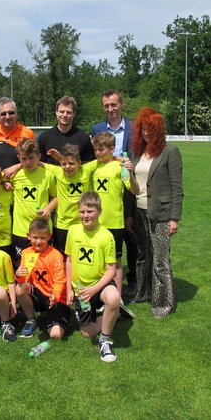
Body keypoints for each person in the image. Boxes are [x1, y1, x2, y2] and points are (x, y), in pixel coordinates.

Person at [128, 107, 183, 318]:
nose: (146, 133)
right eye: (142, 129)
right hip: (139, 211)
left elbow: (177, 188)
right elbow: (134, 185)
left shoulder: (171, 152)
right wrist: (130, 214)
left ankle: (163, 303)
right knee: (143, 256)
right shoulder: (137, 154)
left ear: (158, 129)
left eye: (150, 129)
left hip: (160, 214)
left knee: (160, 260)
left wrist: (174, 218)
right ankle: (143, 293)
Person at [91, 89, 138, 296]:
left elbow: (140, 155)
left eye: (113, 105)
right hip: (107, 189)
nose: (110, 109)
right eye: (106, 106)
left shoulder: (134, 128)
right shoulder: (97, 128)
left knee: (131, 237)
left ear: (121, 104)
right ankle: (104, 286)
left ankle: (134, 280)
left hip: (126, 182)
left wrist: (127, 168)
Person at [88, 132, 138, 319]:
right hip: (96, 224)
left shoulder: (119, 167)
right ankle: (102, 298)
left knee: (115, 262)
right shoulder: (94, 168)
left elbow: (135, 190)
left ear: (111, 149)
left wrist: (129, 173)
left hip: (114, 223)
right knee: (100, 261)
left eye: (101, 149)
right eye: (96, 149)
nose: (98, 153)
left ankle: (118, 300)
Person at [65, 192, 120, 362]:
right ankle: (113, 314)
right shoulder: (73, 231)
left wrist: (94, 289)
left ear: (99, 212)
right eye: (82, 211)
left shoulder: (106, 236)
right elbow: (69, 260)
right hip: (81, 288)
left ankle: (105, 339)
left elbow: (112, 270)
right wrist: (69, 288)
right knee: (86, 333)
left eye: (90, 211)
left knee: (113, 297)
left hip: (100, 284)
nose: (85, 215)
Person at [16, 218, 70, 340]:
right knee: (19, 288)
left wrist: (55, 296)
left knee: (55, 335)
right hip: (39, 296)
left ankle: (54, 316)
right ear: (28, 236)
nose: (38, 241)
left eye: (42, 238)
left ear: (49, 237)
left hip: (56, 299)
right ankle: (31, 320)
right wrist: (19, 275)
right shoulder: (27, 253)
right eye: (35, 237)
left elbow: (60, 280)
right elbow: (24, 280)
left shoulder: (55, 255)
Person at [10, 139, 57, 266]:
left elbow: (56, 197)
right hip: (21, 230)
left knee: (43, 266)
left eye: (31, 158)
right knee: (22, 268)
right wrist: (7, 181)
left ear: (39, 157)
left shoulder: (47, 175)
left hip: (42, 231)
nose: (27, 162)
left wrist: (48, 209)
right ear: (18, 157)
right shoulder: (14, 175)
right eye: (23, 158)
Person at [44, 144, 93, 254]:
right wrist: (16, 167)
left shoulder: (86, 170)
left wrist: (120, 159)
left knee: (78, 256)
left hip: (80, 224)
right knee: (61, 258)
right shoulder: (58, 171)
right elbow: (37, 162)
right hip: (61, 225)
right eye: (64, 164)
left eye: (71, 163)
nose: (67, 167)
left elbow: (104, 159)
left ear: (79, 163)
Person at [37, 96, 94, 165]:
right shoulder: (44, 138)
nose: (65, 115)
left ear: (74, 114)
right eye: (61, 111)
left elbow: (88, 164)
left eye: (69, 112)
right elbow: (39, 164)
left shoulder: (84, 138)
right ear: (56, 112)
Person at [0, 97, 35, 170]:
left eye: (11, 113)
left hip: (22, 180)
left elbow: (34, 159)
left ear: (16, 114)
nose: (7, 116)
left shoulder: (28, 134)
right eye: (3, 114)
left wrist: (17, 167)